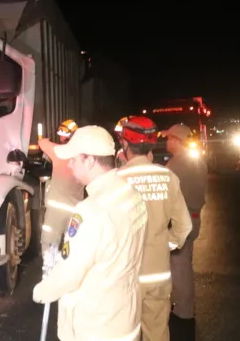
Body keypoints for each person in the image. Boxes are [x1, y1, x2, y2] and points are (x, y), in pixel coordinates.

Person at [32, 125, 148, 341]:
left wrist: (41, 291)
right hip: (126, 318)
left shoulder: (91, 211)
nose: (70, 165)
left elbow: (71, 274)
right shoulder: (131, 195)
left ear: (91, 160)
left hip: (96, 327)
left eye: (74, 159)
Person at [115, 116, 193, 341]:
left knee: (126, 334)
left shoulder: (117, 180)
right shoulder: (167, 176)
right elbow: (184, 227)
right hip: (158, 274)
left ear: (126, 145)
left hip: (127, 276)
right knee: (157, 333)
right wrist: (164, 244)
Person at [164, 124, 208, 335]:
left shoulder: (177, 165)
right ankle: (183, 307)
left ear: (177, 141)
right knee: (183, 265)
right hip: (194, 218)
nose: (166, 142)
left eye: (169, 138)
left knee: (179, 268)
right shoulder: (196, 160)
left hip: (183, 220)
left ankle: (183, 313)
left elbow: (169, 195)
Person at [38, 119, 85, 258]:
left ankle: (49, 268)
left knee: (49, 242)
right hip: (75, 210)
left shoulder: (58, 151)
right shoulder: (83, 155)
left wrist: (47, 138)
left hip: (56, 210)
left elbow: (42, 143)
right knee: (73, 244)